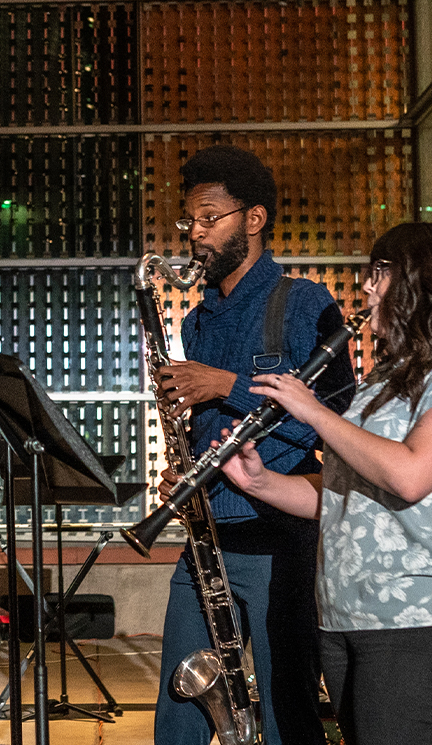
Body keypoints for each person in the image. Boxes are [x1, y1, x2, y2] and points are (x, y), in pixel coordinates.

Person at [221, 222, 432, 745]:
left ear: (427, 281)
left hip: (428, 616)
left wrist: (312, 412)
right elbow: (341, 496)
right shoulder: (382, 380)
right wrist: (258, 482)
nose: (367, 289)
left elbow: (409, 474)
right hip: (350, 613)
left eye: (379, 273)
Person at [152, 145, 354, 745]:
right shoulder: (196, 322)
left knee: (288, 712)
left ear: (254, 218)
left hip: (280, 544)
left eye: (209, 218)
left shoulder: (305, 303)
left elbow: (341, 420)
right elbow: (202, 424)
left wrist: (227, 386)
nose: (195, 234)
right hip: (205, 538)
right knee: (178, 712)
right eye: (189, 221)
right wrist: (182, 465)